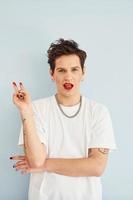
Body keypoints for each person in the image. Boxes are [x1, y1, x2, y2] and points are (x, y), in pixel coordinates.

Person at [10, 38, 117, 200]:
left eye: (74, 69)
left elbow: (97, 167)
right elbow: (36, 161)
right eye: (61, 70)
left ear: (83, 73)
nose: (68, 76)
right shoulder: (37, 109)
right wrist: (25, 110)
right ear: (52, 74)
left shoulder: (98, 112)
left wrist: (46, 164)